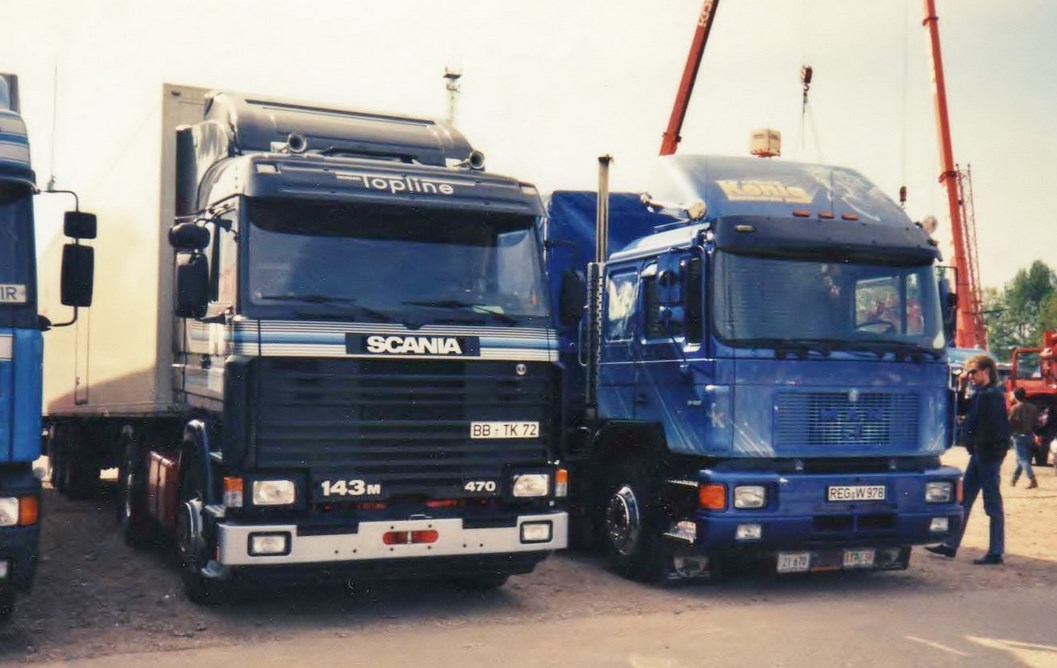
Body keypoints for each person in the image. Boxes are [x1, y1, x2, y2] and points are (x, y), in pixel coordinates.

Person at [926, 354, 1011, 565]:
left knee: (992, 503)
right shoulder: (983, 394)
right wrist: (962, 385)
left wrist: (987, 450)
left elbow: (996, 429)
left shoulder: (992, 395)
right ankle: (951, 545)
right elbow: (962, 408)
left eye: (973, 372)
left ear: (986, 371)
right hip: (980, 454)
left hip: (987, 455)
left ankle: (996, 551)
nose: (970, 376)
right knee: (964, 499)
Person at [1008, 387, 1039, 489]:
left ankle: (1032, 478)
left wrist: (1010, 434)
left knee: (1022, 460)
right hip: (1029, 436)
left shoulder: (1014, 408)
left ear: (1015, 396)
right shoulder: (1033, 408)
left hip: (1018, 437)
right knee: (1022, 460)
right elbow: (1036, 423)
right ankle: (1014, 479)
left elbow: (1010, 423)